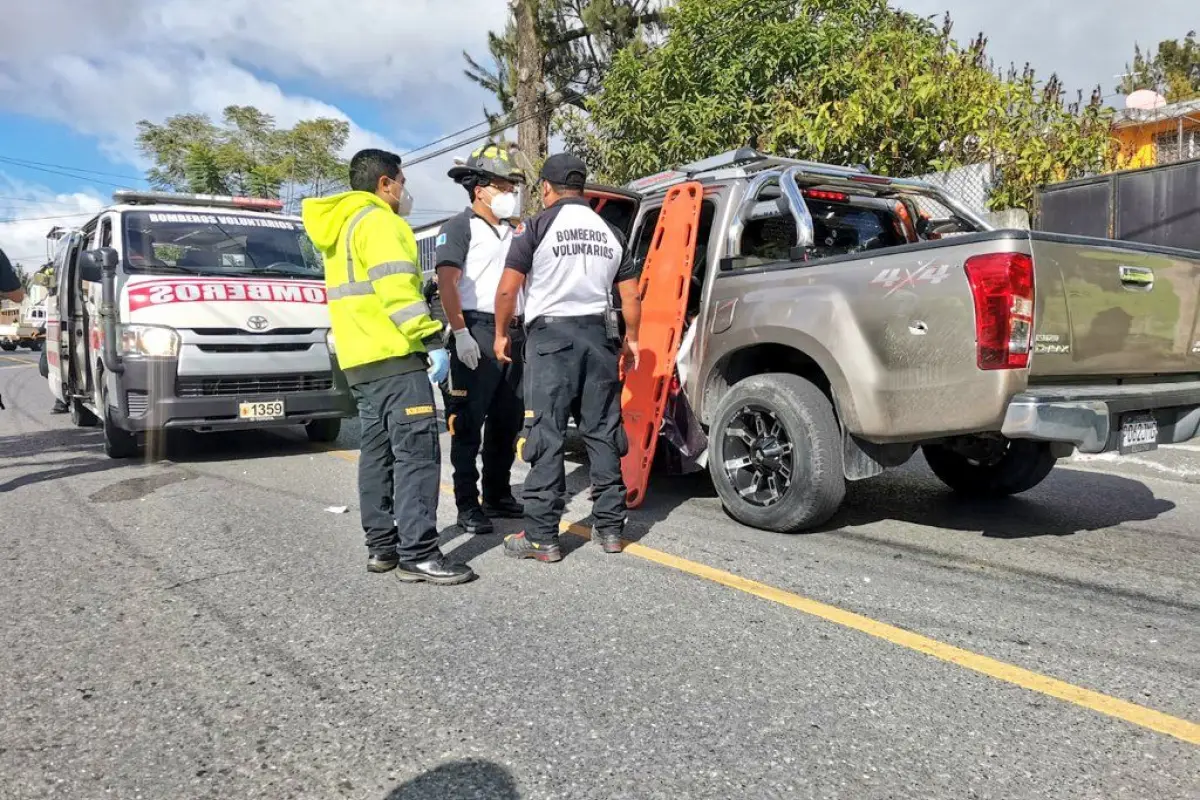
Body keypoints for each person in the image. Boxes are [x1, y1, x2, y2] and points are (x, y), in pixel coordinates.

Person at [301, 148, 475, 585]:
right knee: (416, 455)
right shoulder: (380, 222)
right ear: (385, 183)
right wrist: (430, 339)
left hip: (360, 361)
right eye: (401, 180)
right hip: (396, 357)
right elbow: (398, 291)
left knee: (376, 454)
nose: (404, 190)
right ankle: (418, 553)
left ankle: (383, 547)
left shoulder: (341, 228)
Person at [493, 153, 642, 563]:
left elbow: (508, 289)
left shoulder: (536, 226)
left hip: (550, 340)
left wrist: (502, 333)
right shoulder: (609, 231)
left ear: (546, 188)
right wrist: (632, 341)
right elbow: (630, 294)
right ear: (582, 188)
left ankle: (542, 537)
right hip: (599, 338)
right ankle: (610, 527)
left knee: (547, 433)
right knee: (603, 431)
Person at [435, 144, 527, 535]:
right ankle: (467, 504)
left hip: (513, 330)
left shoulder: (514, 230)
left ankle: (497, 493)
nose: (509, 192)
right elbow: (446, 281)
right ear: (480, 189)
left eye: (511, 185)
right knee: (468, 423)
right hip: (475, 329)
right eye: (503, 185)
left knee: (507, 420)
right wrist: (460, 333)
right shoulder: (459, 226)